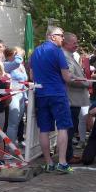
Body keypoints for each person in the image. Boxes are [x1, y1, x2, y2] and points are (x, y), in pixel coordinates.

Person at [29, 26, 73, 173]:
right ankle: (62, 162)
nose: (63, 38)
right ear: (52, 36)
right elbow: (66, 77)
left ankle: (48, 163)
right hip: (57, 93)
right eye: (61, 35)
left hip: (41, 93)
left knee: (44, 129)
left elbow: (32, 76)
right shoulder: (57, 51)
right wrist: (72, 77)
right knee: (62, 127)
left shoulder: (35, 51)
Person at [63, 33, 90, 164]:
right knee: (69, 129)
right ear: (66, 43)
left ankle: (67, 154)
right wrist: (86, 82)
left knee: (71, 128)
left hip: (74, 99)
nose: (77, 45)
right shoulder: (65, 56)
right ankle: (67, 156)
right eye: (74, 43)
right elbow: (70, 77)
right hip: (71, 99)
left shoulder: (70, 56)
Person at [3, 46, 28, 145]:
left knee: (17, 122)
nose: (21, 57)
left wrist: (25, 98)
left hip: (21, 94)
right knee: (12, 123)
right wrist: (18, 54)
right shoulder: (6, 64)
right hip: (13, 95)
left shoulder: (21, 66)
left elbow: (24, 82)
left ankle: (13, 144)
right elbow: (17, 62)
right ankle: (10, 147)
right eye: (18, 54)